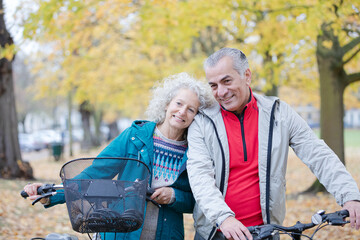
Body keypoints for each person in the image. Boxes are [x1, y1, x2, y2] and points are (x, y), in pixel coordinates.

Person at [186, 47, 360, 240]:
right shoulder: (201, 122)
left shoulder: (279, 113)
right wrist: (224, 218)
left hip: (266, 233)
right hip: (216, 232)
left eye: (227, 81)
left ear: (247, 75)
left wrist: (350, 196)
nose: (221, 92)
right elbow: (199, 175)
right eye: (213, 85)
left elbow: (318, 154)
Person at [23, 72, 215, 240]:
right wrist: (50, 195)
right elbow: (94, 174)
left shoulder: (196, 150)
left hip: (168, 233)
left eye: (191, 109)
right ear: (167, 104)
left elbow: (200, 199)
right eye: (179, 103)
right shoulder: (135, 136)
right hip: (121, 232)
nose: (182, 111)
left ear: (197, 116)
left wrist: (174, 196)